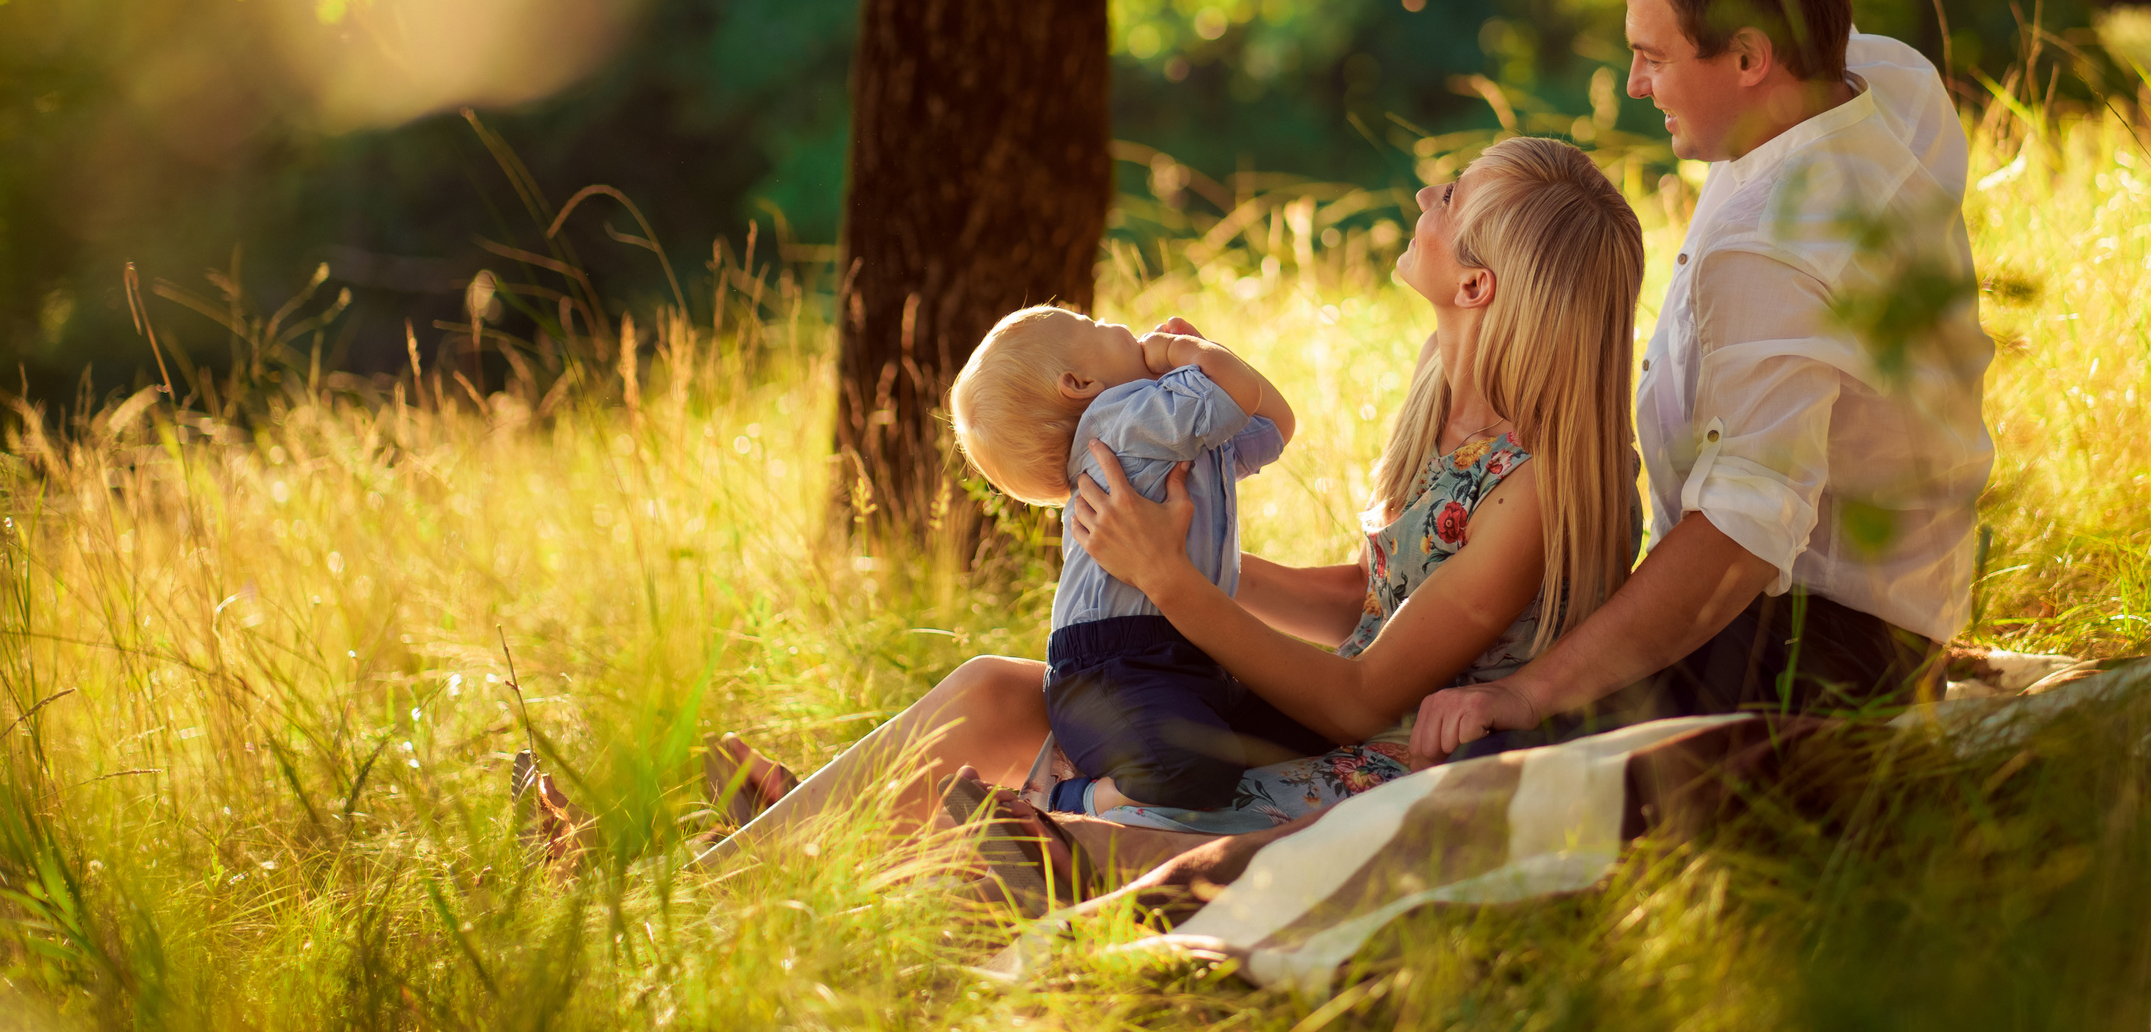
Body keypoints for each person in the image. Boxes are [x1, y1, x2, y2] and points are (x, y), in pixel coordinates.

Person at [1407, 0, 1996, 766]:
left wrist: (1539, 698)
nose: (1634, 87)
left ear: (1744, 60)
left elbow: (1732, 550)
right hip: (1842, 609)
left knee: (1469, 757)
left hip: (1802, 652)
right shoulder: (1866, 77)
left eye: (1654, 59)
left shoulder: (1775, 249)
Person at [687, 135, 1644, 872]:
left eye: (1450, 198)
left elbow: (1364, 697)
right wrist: (1185, 561)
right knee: (993, 686)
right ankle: (743, 853)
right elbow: (1372, 596)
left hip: (1382, 764)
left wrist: (1173, 581)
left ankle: (787, 859)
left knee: (1074, 807)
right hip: (1318, 720)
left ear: (1477, 284)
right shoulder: (1449, 406)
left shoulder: (1532, 486)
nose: (1426, 194)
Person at [948, 305, 1327, 816]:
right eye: (1092, 328)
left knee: (1306, 727)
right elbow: (1243, 394)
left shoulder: (1166, 436)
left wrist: (1204, 362)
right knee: (1192, 775)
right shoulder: (1124, 420)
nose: (1113, 324)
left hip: (1185, 655)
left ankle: (1114, 782)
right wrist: (1181, 352)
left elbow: (1274, 424)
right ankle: (1061, 798)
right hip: (1114, 666)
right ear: (1079, 383)